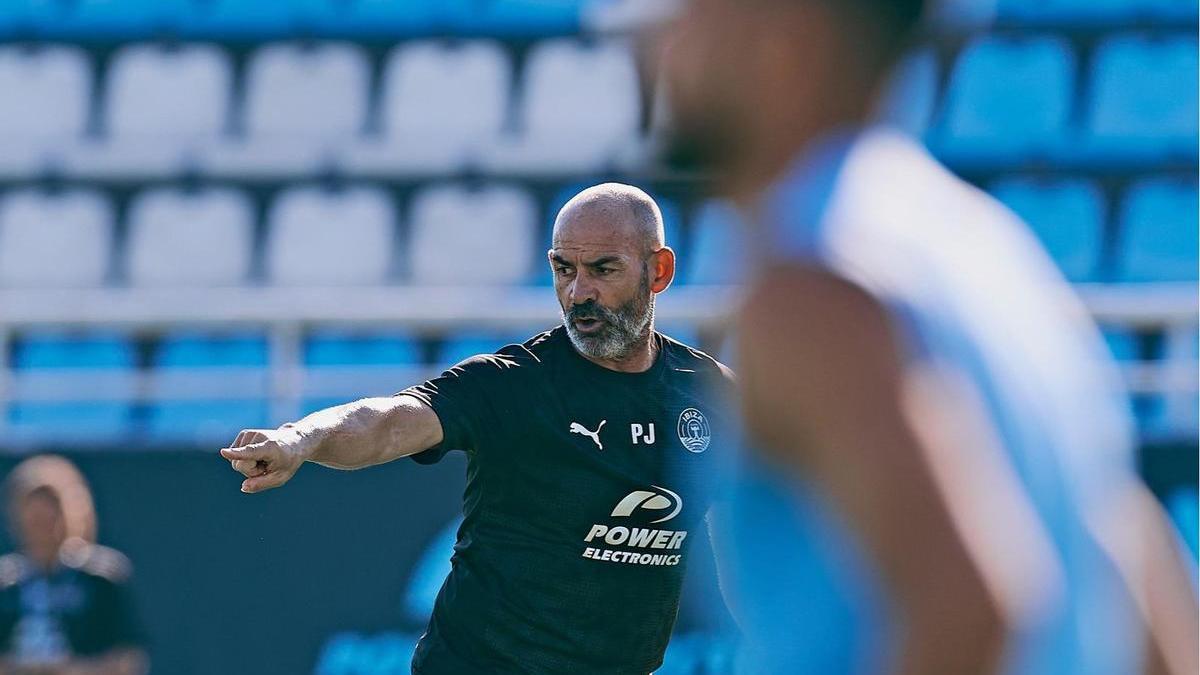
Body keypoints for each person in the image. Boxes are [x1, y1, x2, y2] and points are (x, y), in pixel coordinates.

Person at [658, 1, 1198, 674]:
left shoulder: (814, 294)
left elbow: (967, 609)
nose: (662, 35)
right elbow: (1139, 580)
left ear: (783, 41)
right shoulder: (996, 254)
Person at [220, 183, 735, 674]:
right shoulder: (512, 384)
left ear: (659, 271)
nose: (579, 292)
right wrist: (299, 439)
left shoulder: (710, 394)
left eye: (603, 269)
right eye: (563, 269)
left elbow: (762, 522)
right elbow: (388, 423)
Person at [0, 456, 147, 675]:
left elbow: (128, 658)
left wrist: (74, 669)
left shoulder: (100, 577)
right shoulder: (6, 582)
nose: (42, 529)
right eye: (35, 520)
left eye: (50, 517)